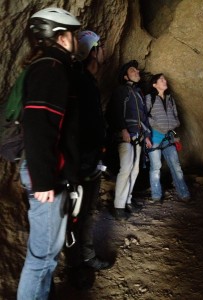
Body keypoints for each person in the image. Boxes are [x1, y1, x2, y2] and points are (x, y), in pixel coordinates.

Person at [17, 7, 82, 300]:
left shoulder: (51, 67)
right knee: (42, 258)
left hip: (49, 170)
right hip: (45, 175)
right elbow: (38, 124)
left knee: (46, 257)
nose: (77, 41)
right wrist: (44, 180)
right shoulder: (51, 69)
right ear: (62, 37)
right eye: (74, 35)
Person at [65, 30, 111, 277]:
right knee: (76, 217)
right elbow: (77, 128)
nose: (104, 52)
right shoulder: (80, 82)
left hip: (89, 161)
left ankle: (86, 256)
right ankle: (77, 267)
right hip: (80, 164)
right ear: (92, 52)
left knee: (85, 213)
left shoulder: (88, 82)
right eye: (100, 47)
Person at [107, 60, 152, 221]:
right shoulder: (121, 90)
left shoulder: (138, 93)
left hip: (138, 136)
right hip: (126, 135)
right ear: (126, 76)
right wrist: (122, 129)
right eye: (133, 70)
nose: (137, 71)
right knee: (126, 168)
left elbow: (144, 117)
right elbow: (115, 110)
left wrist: (146, 135)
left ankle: (127, 200)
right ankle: (118, 206)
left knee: (135, 170)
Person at [145, 73, 191, 204]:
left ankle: (184, 193)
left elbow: (176, 115)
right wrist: (157, 125)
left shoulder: (170, 99)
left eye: (164, 79)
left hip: (169, 136)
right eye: (161, 79)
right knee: (155, 167)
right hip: (155, 136)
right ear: (154, 85)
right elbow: (144, 116)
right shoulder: (150, 98)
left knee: (176, 166)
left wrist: (174, 124)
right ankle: (156, 195)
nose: (164, 81)